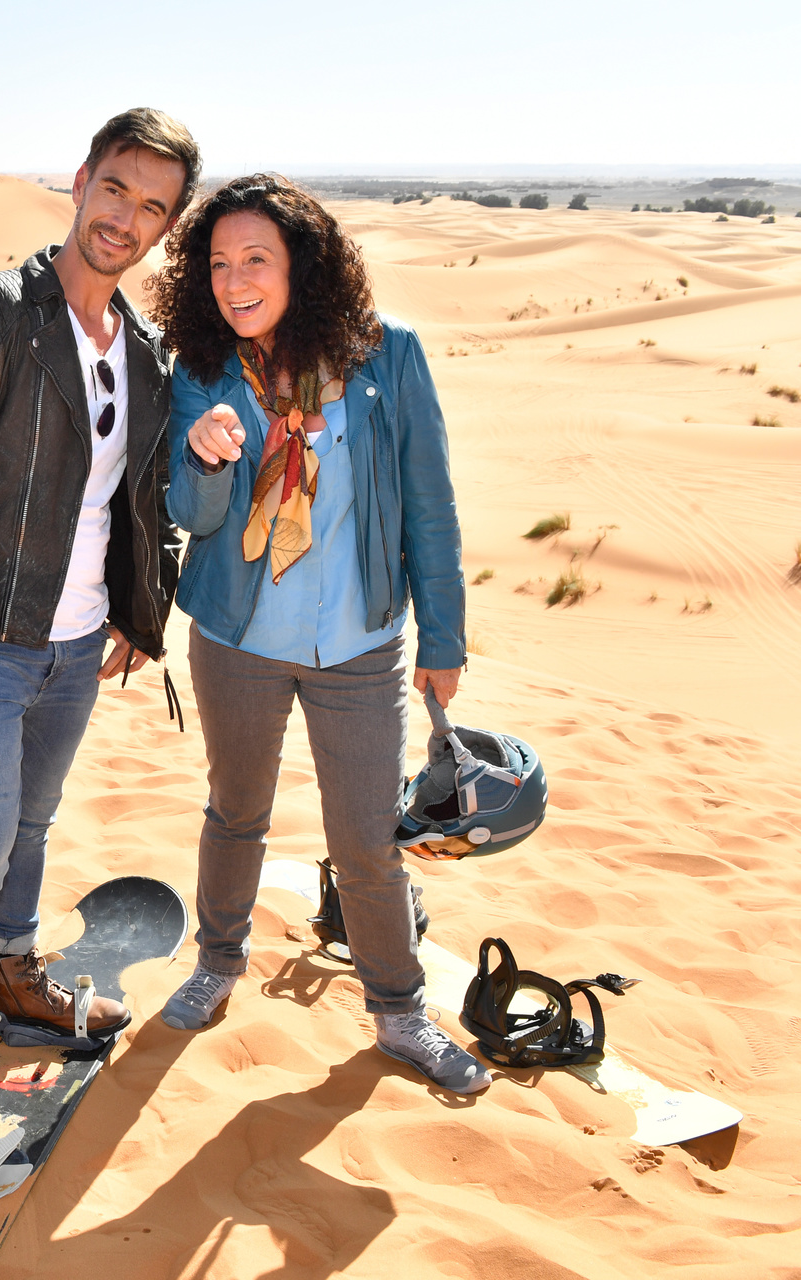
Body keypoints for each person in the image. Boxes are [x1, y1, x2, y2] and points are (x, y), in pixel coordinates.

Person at [0, 108, 203, 1157]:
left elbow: (143, 498)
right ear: (80, 182)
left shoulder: (146, 353)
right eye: (115, 188)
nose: (126, 217)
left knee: (32, 825)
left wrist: (140, 611)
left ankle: (15, 971)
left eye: (152, 206)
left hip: (76, 646)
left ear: (165, 226)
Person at [153, 174, 489, 1094]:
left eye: (255, 259)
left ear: (302, 265)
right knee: (236, 810)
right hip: (237, 639)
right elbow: (192, 516)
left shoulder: (389, 357)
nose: (234, 281)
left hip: (359, 645)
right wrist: (205, 457)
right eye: (217, 264)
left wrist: (444, 636)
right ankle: (217, 962)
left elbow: (430, 502)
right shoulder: (203, 369)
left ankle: (400, 1012)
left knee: (368, 838)